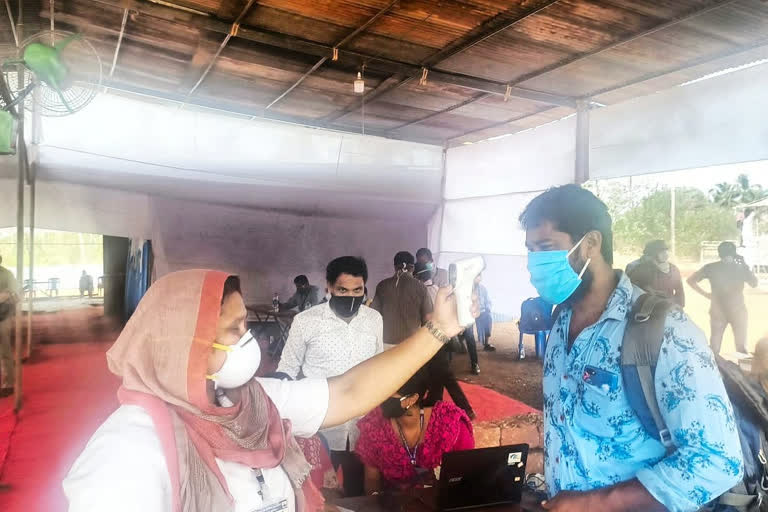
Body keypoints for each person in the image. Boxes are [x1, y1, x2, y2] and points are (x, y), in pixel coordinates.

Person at [63, 269, 463, 512]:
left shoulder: (250, 400)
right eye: (234, 330)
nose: (249, 339)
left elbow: (348, 393)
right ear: (184, 343)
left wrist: (439, 331)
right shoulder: (127, 451)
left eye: (246, 326)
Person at [520, 185, 742, 512]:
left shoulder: (665, 331)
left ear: (591, 244)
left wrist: (594, 503)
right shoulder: (560, 323)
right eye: (530, 250)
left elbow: (717, 459)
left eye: (546, 247)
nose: (534, 263)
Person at [277, 256, 383, 496]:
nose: (351, 296)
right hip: (320, 428)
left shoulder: (374, 320)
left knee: (358, 493)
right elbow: (287, 368)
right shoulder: (306, 322)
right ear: (329, 287)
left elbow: (378, 366)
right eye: (342, 290)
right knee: (316, 494)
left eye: (358, 290)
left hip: (362, 425)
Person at [355, 369, 474, 494]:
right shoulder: (374, 426)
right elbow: (372, 481)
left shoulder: (451, 425)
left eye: (387, 394)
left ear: (412, 399)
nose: (380, 400)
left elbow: (463, 481)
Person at [413, 262, 475, 419]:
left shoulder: (420, 292)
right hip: (443, 339)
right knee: (437, 372)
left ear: (417, 276)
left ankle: (465, 408)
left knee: (443, 374)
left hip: (431, 338)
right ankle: (435, 400)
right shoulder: (436, 290)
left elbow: (425, 319)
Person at [688, 242, 758, 355]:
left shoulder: (714, 267)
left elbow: (754, 283)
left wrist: (745, 265)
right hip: (727, 312)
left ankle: (718, 370)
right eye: (725, 255)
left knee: (729, 347)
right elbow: (690, 280)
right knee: (720, 348)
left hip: (729, 312)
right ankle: (731, 371)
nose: (727, 258)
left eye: (729, 255)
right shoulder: (714, 267)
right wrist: (706, 294)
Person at [372, 251, 432, 348]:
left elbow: (374, 314)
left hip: (386, 343)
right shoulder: (420, 287)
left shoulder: (382, 285)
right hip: (411, 344)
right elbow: (428, 318)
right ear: (412, 267)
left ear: (395, 267)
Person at [627, 240, 685, 307]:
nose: (665, 254)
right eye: (661, 252)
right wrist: (648, 291)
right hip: (645, 308)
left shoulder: (674, 269)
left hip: (669, 308)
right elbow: (630, 289)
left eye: (665, 251)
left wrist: (679, 307)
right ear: (652, 254)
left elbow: (680, 293)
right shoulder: (639, 268)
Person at [463, 274, 495, 375]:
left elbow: (488, 301)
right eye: (477, 276)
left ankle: (486, 344)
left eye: (480, 276)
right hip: (468, 314)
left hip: (481, 312)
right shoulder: (464, 288)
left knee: (488, 317)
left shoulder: (483, 288)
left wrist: (487, 308)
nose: (479, 278)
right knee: (469, 335)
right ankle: (474, 362)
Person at [0, 255, 18, 397]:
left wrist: (6, 296)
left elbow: (15, 294)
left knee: (4, 350)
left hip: (3, 316)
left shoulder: (7, 274)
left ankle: (8, 384)